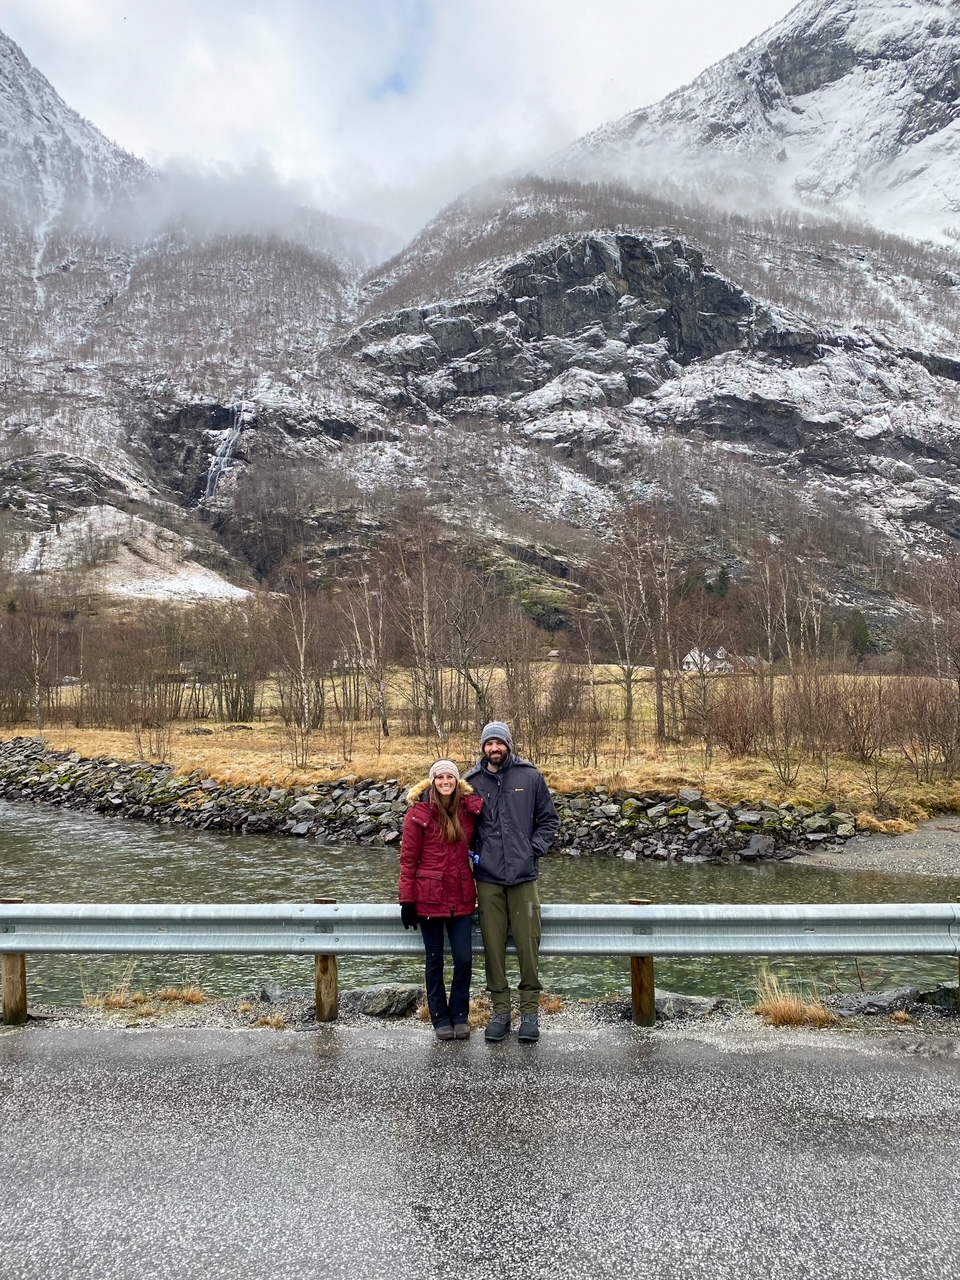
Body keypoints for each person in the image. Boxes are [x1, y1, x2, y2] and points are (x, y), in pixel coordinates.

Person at [465, 721, 559, 1044]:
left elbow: (549, 820)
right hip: (488, 879)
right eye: (489, 743)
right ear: (483, 747)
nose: (494, 748)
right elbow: (456, 823)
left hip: (523, 877)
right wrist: (472, 855)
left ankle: (530, 1012)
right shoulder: (470, 782)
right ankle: (501, 1012)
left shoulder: (530, 776)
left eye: (499, 743)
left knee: (528, 945)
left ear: (508, 745)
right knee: (492, 947)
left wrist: (533, 851)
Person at [398, 759, 483, 1041]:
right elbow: (408, 860)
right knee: (434, 961)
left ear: (457, 781)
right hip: (429, 897)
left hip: (461, 896)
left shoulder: (469, 811)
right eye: (440, 777)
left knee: (464, 960)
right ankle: (439, 1017)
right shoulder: (418, 814)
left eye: (450, 777)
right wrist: (407, 900)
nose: (445, 782)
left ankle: (459, 1015)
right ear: (432, 781)